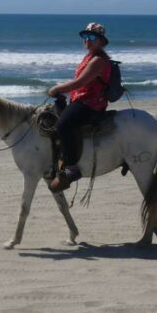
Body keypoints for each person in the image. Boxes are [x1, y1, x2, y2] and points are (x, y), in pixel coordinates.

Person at [47, 22, 113, 192]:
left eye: (92, 37)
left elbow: (80, 82)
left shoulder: (99, 60)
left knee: (63, 124)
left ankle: (72, 168)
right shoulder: (89, 56)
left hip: (91, 104)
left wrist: (57, 88)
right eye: (85, 37)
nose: (87, 40)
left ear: (101, 41)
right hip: (80, 99)